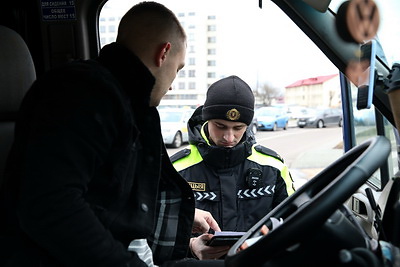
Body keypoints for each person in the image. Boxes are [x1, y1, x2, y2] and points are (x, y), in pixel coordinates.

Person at [0, 2, 224, 266]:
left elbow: (113, 202)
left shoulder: (127, 102)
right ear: (164, 53)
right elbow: (51, 205)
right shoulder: (84, 92)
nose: (173, 85)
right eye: (179, 68)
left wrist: (186, 219)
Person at [170, 75, 295, 259]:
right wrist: (189, 246)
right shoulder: (176, 169)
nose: (229, 137)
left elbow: (295, 220)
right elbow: (150, 230)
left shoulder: (273, 166)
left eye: (238, 128)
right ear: (206, 119)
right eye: (220, 126)